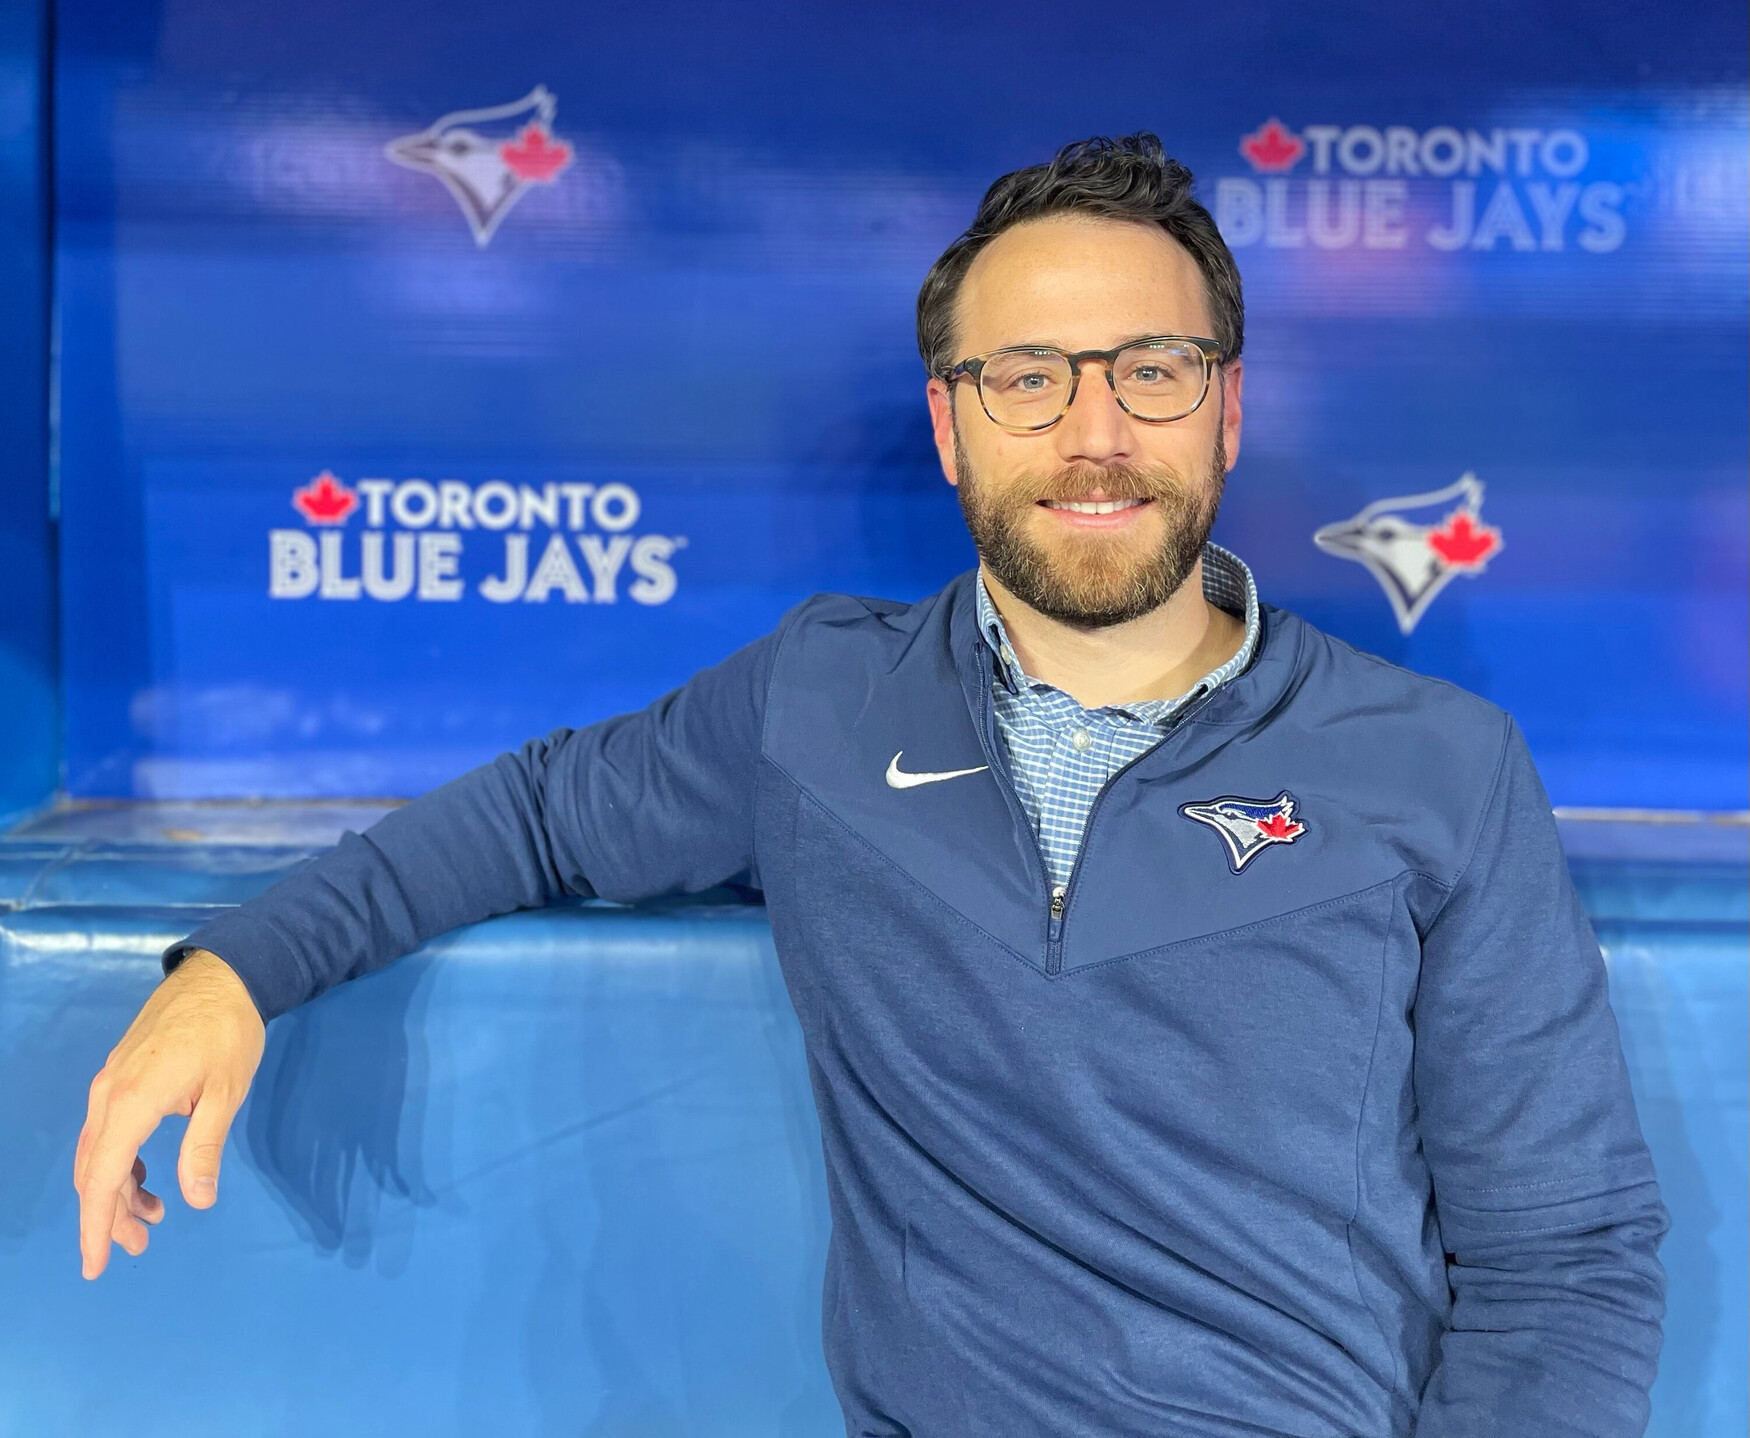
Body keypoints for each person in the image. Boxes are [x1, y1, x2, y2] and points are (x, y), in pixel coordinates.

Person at [74, 134, 1667, 1437]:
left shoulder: (1436, 766)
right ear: (950, 427)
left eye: (1155, 371)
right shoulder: (820, 703)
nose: (1095, 432)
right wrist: (231, 968)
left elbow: (1565, 1260)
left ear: (1229, 408)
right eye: (1027, 376)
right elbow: (539, 812)